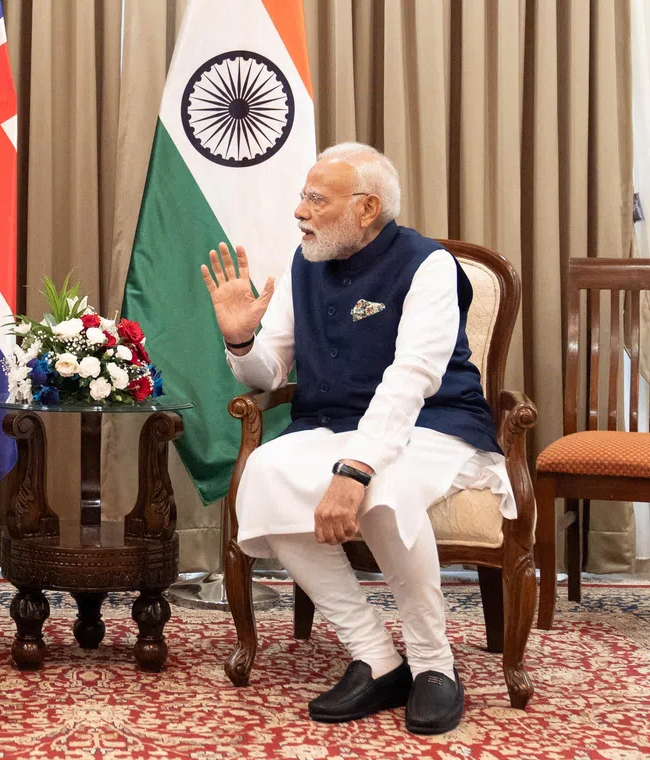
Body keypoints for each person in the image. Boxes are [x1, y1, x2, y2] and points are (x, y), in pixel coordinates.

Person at [200, 142, 514, 735]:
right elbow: (270, 374)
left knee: (385, 488)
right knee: (262, 475)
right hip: (331, 424)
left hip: (436, 424)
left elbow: (413, 377)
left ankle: (433, 664)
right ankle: (375, 654)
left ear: (366, 208)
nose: (300, 211)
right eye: (302, 196)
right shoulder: (305, 262)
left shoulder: (428, 265)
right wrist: (242, 341)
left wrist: (354, 470)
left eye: (316, 199)